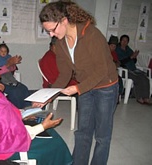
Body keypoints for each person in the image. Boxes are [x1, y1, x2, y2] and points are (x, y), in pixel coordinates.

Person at [0, 48, 73, 165]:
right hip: (5, 150)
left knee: (44, 125)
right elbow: (10, 140)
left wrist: (27, 109)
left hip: (2, 135)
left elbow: (4, 117)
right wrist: (42, 127)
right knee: (55, 143)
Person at [39, 1, 119, 165]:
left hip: (106, 87)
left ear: (64, 21)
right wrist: (47, 95)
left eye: (52, 30)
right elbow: (65, 73)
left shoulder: (91, 35)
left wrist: (77, 88)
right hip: (86, 88)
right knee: (83, 132)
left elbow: (102, 70)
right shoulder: (61, 43)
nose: (51, 35)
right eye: (47, 31)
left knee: (102, 136)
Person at [0, 30, 31, 109]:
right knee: (14, 92)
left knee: (23, 88)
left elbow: (9, 69)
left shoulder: (0, 52)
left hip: (8, 78)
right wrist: (8, 64)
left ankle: (29, 110)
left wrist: (13, 64)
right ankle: (17, 111)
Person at [115, 34, 151, 104]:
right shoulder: (117, 49)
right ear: (120, 41)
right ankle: (139, 97)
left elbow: (134, 61)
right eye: (123, 40)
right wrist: (131, 57)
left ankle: (146, 97)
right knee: (137, 78)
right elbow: (120, 62)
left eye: (126, 41)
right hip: (124, 70)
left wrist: (134, 57)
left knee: (145, 78)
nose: (124, 42)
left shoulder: (128, 49)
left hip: (133, 69)